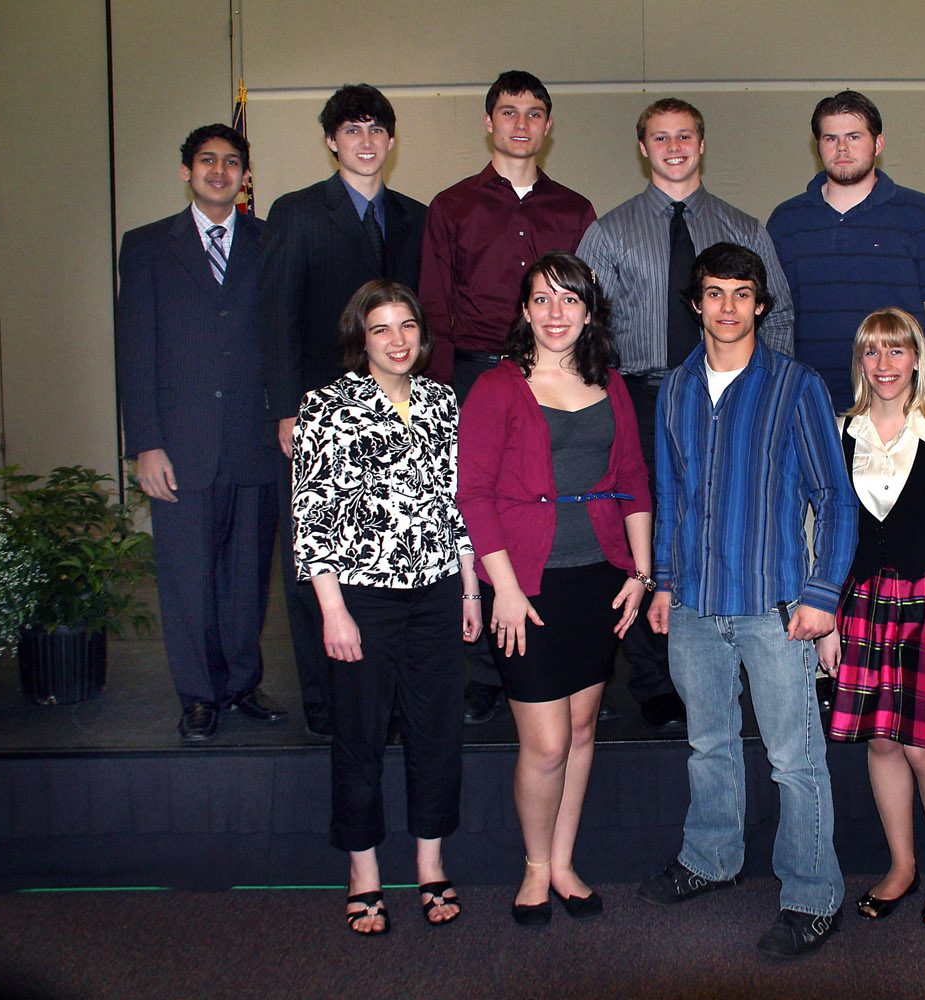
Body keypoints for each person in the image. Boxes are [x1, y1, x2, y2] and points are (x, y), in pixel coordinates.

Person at [640, 243, 856, 958]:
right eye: (713, 293)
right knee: (708, 747)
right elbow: (669, 496)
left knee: (794, 761)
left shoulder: (797, 387)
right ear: (695, 303)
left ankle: (812, 896)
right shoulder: (672, 389)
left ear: (761, 305)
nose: (727, 306)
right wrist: (664, 583)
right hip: (695, 606)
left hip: (774, 608)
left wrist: (822, 595)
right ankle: (710, 858)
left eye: (741, 293)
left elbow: (834, 497)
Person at [577, 98, 794, 731]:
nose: (673, 147)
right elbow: (584, 326)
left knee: (724, 523)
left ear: (702, 144)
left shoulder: (745, 228)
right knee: (646, 530)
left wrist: (771, 400)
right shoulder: (610, 232)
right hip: (642, 397)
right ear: (642, 148)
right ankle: (652, 677)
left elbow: (777, 315)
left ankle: (729, 664)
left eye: (685, 136)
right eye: (659, 137)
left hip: (732, 398)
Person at [456, 252, 652, 926]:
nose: (555, 313)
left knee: (579, 729)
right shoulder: (496, 386)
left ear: (589, 311)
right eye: (541, 299)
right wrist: (502, 591)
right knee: (543, 744)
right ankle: (535, 867)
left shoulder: (612, 384)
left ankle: (565, 862)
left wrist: (639, 571)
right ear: (523, 311)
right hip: (526, 586)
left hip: (597, 577)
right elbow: (473, 496)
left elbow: (632, 479)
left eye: (569, 300)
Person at [292, 280, 479, 935]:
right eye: (381, 329)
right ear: (360, 339)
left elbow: (456, 506)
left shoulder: (440, 402)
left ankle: (430, 863)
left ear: (422, 336)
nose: (397, 340)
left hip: (434, 595)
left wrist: (470, 587)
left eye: (407, 326)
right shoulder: (325, 405)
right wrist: (331, 610)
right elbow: (311, 514)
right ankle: (364, 871)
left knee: (437, 735)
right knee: (361, 737)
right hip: (360, 598)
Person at [418, 69, 597, 726]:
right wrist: (438, 399)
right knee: (478, 518)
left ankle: (561, 657)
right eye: (508, 112)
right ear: (488, 122)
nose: (520, 124)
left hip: (553, 380)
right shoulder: (452, 206)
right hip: (473, 377)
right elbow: (433, 305)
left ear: (547, 127)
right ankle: (488, 667)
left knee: (544, 516)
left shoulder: (574, 210)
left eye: (533, 113)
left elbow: (588, 306)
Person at [261, 83, 427, 738]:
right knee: (319, 557)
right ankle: (327, 703)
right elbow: (274, 318)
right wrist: (285, 409)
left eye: (376, 129)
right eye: (351, 130)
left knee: (383, 554)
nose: (365, 141)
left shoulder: (415, 215)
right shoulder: (296, 213)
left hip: (394, 410)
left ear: (390, 140)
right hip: (318, 412)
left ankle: (381, 695)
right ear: (332, 141)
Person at [817, 308, 925, 929]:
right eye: (873, 353)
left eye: (897, 352)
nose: (885, 366)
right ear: (861, 361)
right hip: (862, 605)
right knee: (883, 741)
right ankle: (901, 866)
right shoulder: (840, 431)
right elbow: (830, 536)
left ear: (917, 357)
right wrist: (829, 622)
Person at [116, 123, 283, 742]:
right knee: (188, 577)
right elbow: (135, 351)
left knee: (246, 577)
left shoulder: (271, 242)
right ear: (186, 171)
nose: (220, 171)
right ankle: (198, 695)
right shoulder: (146, 246)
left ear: (244, 177)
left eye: (232, 162)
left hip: (255, 439)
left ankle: (242, 685)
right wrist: (145, 443)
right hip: (178, 446)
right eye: (207, 161)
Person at [768, 90, 925, 411]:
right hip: (809, 407)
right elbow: (771, 320)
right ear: (817, 146)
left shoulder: (921, 214)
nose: (842, 148)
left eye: (854, 136)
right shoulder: (786, 221)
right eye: (830, 138)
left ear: (878, 143)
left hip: (898, 407)